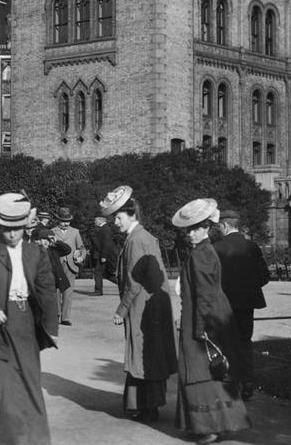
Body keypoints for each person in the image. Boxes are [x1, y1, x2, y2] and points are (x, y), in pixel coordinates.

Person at [0, 193, 59, 445]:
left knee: (28, 383)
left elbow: (47, 289)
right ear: (0, 226)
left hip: (25, 324)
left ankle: (31, 439)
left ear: (24, 226)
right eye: (7, 229)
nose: (11, 234)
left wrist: (50, 327)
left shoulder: (36, 253)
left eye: (17, 228)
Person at [172, 199, 251, 444]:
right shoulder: (203, 251)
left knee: (199, 371)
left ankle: (208, 426)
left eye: (196, 228)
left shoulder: (202, 254)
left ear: (207, 227)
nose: (190, 233)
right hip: (209, 314)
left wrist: (200, 328)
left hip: (205, 317)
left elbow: (204, 295)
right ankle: (210, 423)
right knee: (210, 371)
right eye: (188, 229)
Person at [99, 186, 177, 422]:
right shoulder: (142, 236)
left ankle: (146, 406)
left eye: (119, 217)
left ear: (131, 214)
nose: (116, 222)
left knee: (142, 354)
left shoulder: (136, 240)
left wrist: (120, 311)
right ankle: (146, 404)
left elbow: (133, 283)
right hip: (151, 306)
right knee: (149, 353)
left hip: (142, 307)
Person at [214, 209, 270, 400]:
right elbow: (264, 276)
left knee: (225, 343)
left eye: (219, 226)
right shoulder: (251, 247)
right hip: (246, 304)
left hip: (224, 304)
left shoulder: (217, 248)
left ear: (225, 225)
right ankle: (247, 384)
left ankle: (230, 383)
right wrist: (247, 288)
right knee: (245, 342)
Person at [52, 207, 86, 326]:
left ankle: (65, 317)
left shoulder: (75, 232)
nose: (66, 223)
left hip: (71, 265)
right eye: (63, 221)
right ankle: (56, 314)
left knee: (68, 291)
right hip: (56, 265)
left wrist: (81, 257)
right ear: (58, 220)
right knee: (55, 290)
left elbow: (81, 248)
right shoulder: (52, 231)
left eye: (68, 221)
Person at [89, 215, 118, 295]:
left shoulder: (106, 229)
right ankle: (125, 286)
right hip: (103, 254)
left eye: (95, 220)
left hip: (105, 255)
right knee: (108, 275)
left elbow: (106, 243)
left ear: (100, 220)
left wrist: (103, 256)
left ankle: (98, 291)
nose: (94, 222)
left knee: (98, 272)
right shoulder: (103, 228)